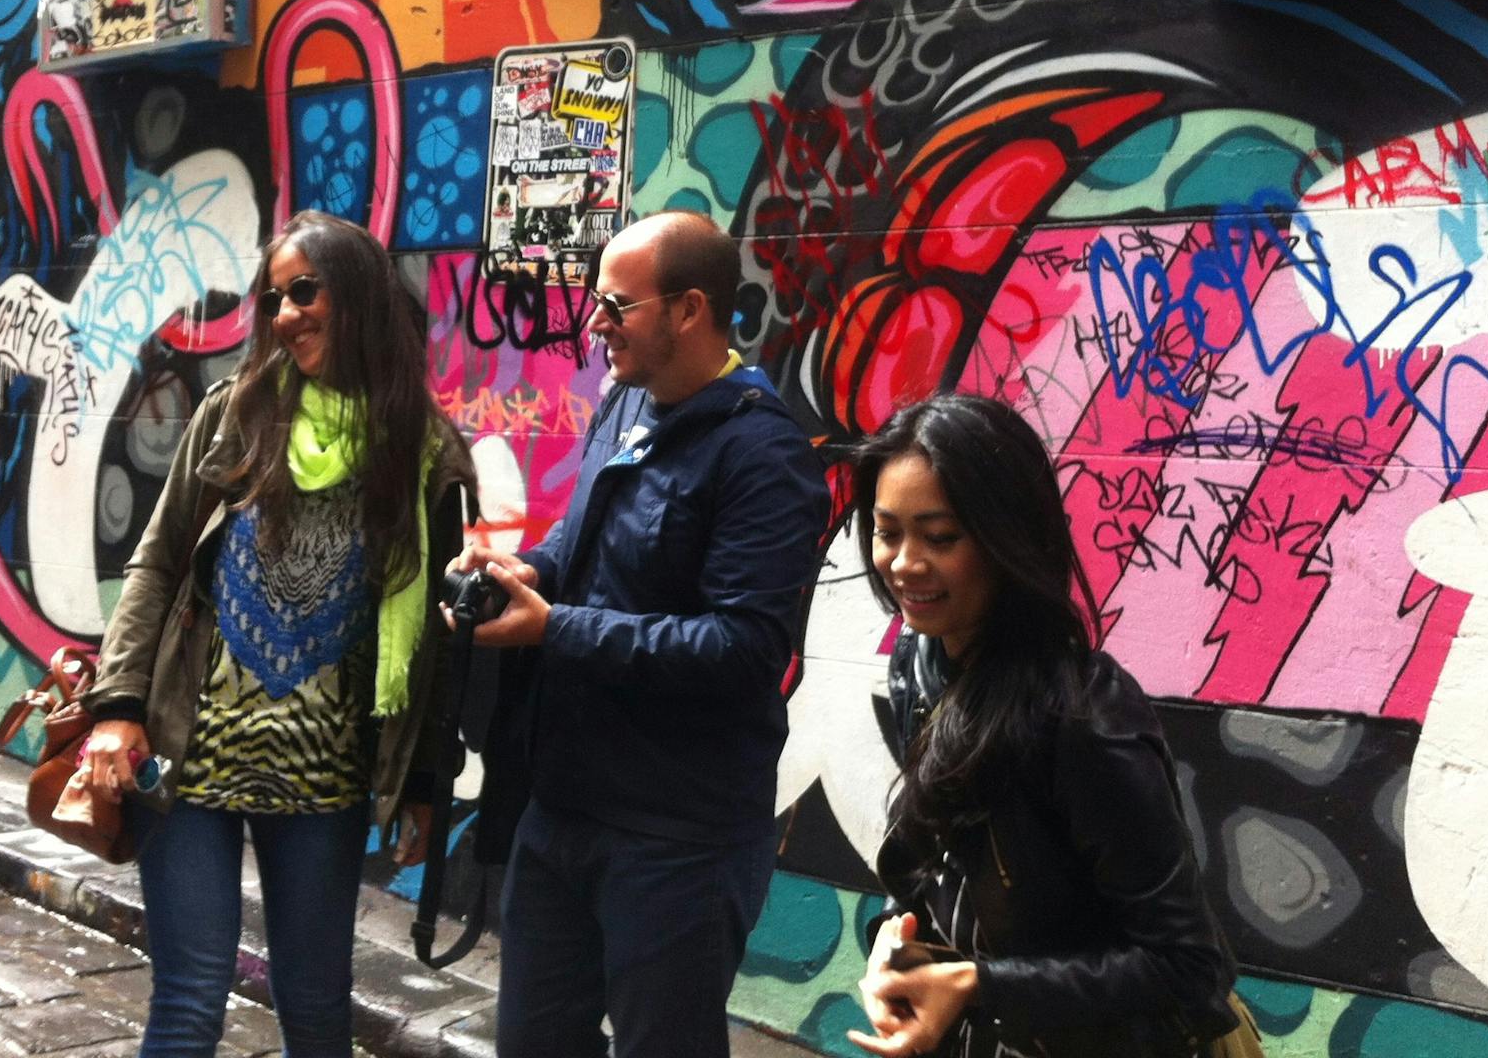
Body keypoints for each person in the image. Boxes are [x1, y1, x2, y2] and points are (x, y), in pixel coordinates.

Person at [78, 211, 476, 1057]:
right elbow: (157, 563)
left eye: (304, 291)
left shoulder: (422, 453)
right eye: (273, 299)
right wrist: (117, 706)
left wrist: (425, 782)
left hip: (325, 784)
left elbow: (437, 638)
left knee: (317, 1005)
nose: (286, 314)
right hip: (186, 762)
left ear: (358, 297)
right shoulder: (235, 414)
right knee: (189, 1002)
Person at [449, 210, 830, 1058]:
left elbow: (743, 649)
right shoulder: (624, 404)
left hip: (678, 840)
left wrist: (555, 628)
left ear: (690, 310)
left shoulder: (764, 455)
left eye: (616, 306)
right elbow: (576, 545)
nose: (595, 323)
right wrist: (519, 575)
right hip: (565, 806)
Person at [847, 393, 1246, 1058]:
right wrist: (896, 939)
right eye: (888, 533)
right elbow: (940, 863)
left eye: (940, 537)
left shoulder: (1084, 717)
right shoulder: (920, 663)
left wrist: (978, 984)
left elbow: (1188, 967)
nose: (905, 563)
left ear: (1006, 539)